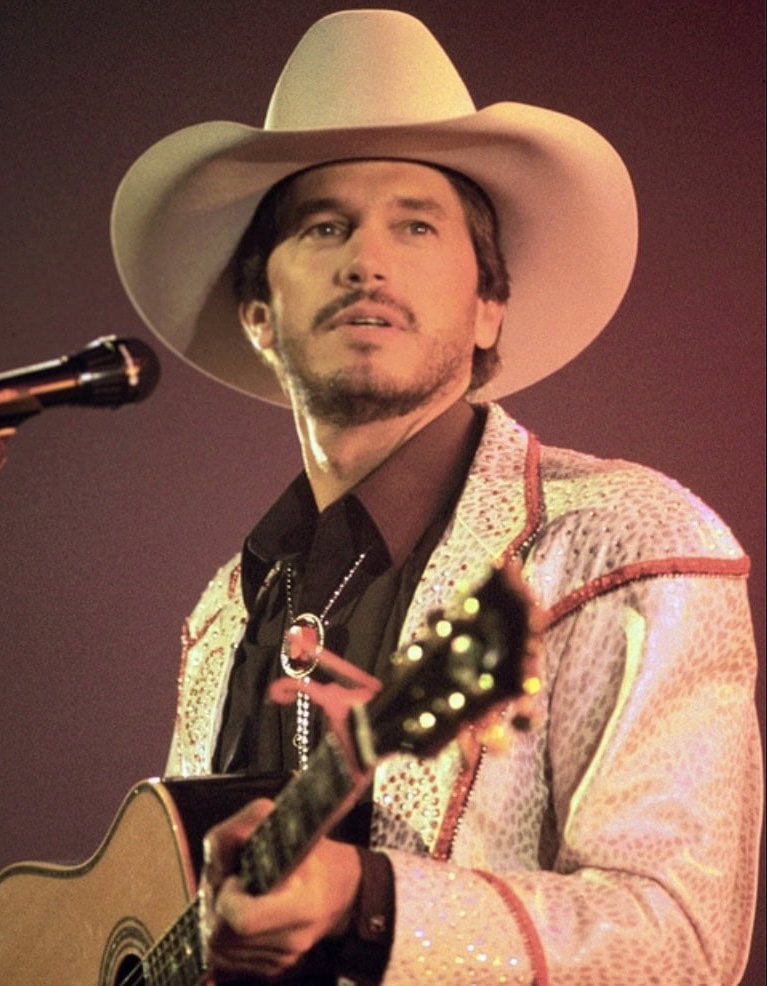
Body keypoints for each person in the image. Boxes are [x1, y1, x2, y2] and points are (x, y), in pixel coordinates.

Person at [110, 10, 762, 985]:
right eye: (323, 225)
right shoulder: (224, 613)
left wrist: (369, 900)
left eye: (415, 224)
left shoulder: (631, 545)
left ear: (487, 300)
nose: (366, 259)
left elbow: (678, 940)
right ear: (258, 314)